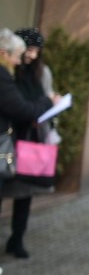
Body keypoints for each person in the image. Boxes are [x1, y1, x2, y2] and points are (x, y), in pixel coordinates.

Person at [0, 28, 56, 262]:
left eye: (35, 51)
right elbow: (19, 107)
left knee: (26, 190)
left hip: (30, 138)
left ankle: (17, 238)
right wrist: (45, 103)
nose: (29, 56)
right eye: (27, 50)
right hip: (10, 140)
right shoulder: (8, 74)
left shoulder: (40, 73)